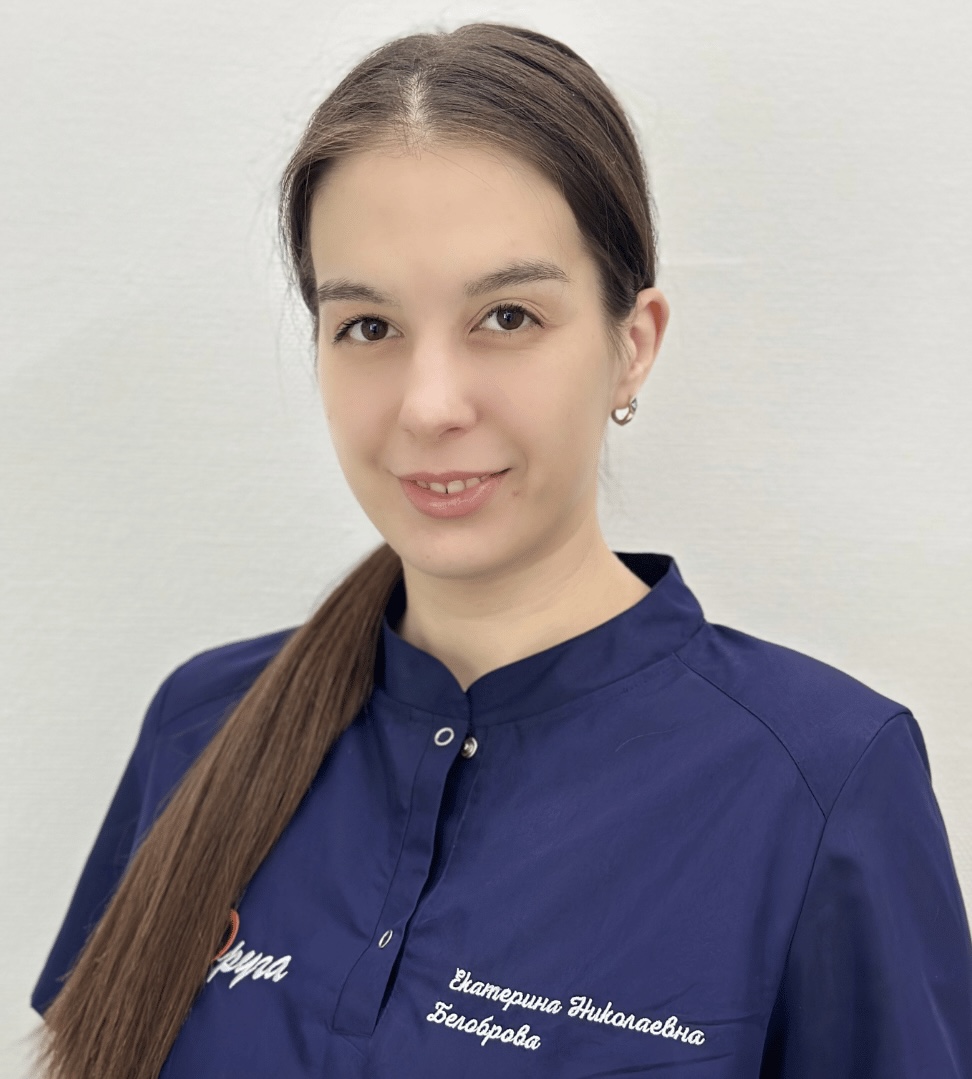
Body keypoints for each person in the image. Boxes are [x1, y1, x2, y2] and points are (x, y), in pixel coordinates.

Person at [28, 20, 972, 1079]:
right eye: (369, 326)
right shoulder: (203, 722)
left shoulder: (822, 780)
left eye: (508, 316)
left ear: (631, 345)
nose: (429, 405)